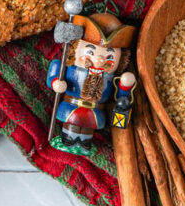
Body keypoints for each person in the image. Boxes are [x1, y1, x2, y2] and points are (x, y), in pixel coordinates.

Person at [47, 11, 137, 151]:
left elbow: (120, 96)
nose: (99, 60)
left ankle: (84, 144)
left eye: (110, 57)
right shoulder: (73, 67)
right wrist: (55, 83)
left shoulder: (111, 77)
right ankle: (68, 139)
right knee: (72, 126)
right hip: (72, 105)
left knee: (86, 132)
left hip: (95, 111)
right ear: (74, 48)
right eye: (90, 52)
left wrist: (125, 86)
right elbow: (55, 69)